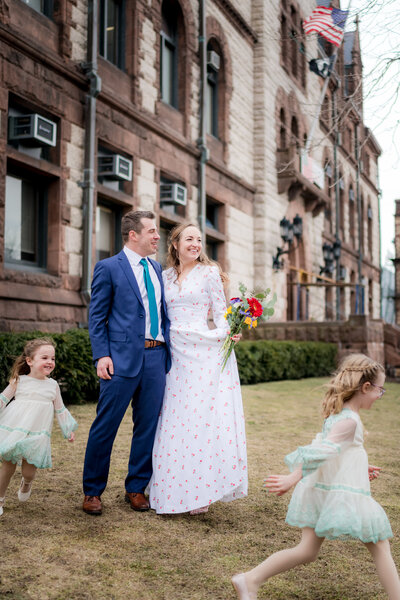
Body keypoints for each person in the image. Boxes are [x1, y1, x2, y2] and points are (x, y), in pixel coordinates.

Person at [232, 353, 400, 600]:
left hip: (322, 490)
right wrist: (292, 478)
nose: (380, 395)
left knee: (307, 551)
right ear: (366, 387)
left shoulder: (339, 414)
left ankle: (249, 580)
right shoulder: (350, 421)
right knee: (380, 543)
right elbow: (321, 452)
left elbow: (337, 451)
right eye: (380, 390)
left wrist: (359, 465)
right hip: (333, 494)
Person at [148, 222, 247, 515]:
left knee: (201, 416)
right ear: (175, 244)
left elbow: (220, 313)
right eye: (189, 239)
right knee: (176, 417)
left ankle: (203, 488)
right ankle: (171, 485)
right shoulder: (163, 276)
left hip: (201, 351)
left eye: (200, 240)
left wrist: (232, 330)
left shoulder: (209, 273)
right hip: (173, 351)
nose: (196, 244)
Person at [82, 210, 171, 515]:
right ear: (134, 235)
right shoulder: (108, 268)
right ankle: (92, 491)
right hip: (119, 360)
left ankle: (136, 487)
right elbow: (97, 318)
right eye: (152, 232)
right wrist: (101, 355)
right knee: (105, 426)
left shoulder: (158, 269)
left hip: (156, 358)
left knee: (147, 426)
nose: (158, 237)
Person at [0, 338, 77, 517]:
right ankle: (0, 499)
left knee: (28, 471)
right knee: (7, 466)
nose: (50, 362)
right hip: (15, 429)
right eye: (44, 358)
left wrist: (68, 429)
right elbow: (3, 399)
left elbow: (60, 409)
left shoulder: (53, 385)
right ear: (30, 361)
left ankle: (26, 483)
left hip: (37, 434)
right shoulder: (19, 380)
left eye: (53, 358)